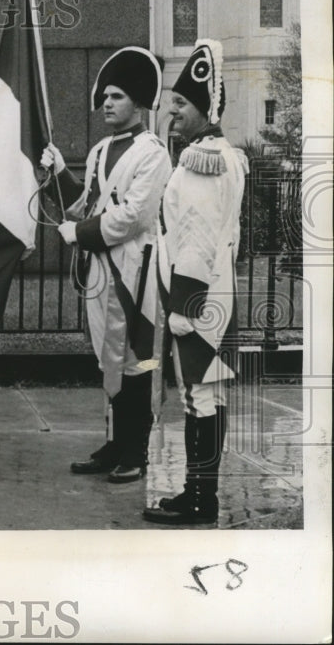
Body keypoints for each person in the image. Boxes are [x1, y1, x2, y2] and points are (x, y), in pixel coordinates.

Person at [41, 47, 172, 483]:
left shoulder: (153, 153)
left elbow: (133, 215)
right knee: (107, 356)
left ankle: (135, 451)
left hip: (135, 269)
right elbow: (84, 203)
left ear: (137, 102)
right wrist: (59, 171)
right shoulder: (99, 150)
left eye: (117, 96)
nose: (107, 104)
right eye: (106, 97)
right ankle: (116, 443)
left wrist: (79, 234)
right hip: (100, 270)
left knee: (135, 359)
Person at [143, 39, 246, 525]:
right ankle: (200, 495)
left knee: (199, 396)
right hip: (219, 295)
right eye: (170, 102)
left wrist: (183, 307)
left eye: (181, 103)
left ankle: (200, 500)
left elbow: (197, 240)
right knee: (212, 394)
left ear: (204, 108)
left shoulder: (200, 163)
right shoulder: (226, 155)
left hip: (199, 300)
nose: (171, 110)